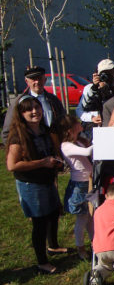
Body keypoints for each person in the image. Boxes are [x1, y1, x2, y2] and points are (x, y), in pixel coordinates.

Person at [6, 96, 65, 274]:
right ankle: (41, 262)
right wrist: (42, 163)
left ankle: (53, 246)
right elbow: (12, 165)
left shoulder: (44, 130)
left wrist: (56, 162)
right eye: (29, 109)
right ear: (21, 113)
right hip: (30, 184)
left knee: (54, 213)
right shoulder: (19, 136)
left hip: (46, 180)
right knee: (39, 223)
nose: (34, 112)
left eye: (37, 108)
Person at [54, 115, 94, 261]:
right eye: (77, 122)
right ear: (70, 130)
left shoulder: (78, 141)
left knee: (91, 216)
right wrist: (103, 140)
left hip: (89, 182)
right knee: (82, 218)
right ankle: (80, 248)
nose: (80, 124)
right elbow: (88, 152)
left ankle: (94, 244)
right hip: (80, 186)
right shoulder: (66, 145)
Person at [2, 66, 66, 143]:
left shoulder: (53, 100)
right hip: (31, 148)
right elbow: (7, 132)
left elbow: (64, 122)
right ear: (27, 81)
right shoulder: (19, 102)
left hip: (53, 146)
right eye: (33, 79)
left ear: (45, 80)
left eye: (39, 78)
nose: (37, 82)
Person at [77, 59, 114, 138]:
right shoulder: (90, 88)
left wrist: (108, 90)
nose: (107, 76)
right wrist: (91, 118)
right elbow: (82, 108)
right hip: (93, 129)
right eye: (104, 74)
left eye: (109, 73)